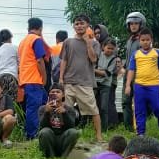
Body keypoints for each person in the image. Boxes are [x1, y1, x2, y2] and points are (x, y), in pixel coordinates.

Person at [60, 14, 103, 142]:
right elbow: (64, 60)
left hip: (85, 82)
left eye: (82, 23)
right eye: (77, 24)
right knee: (66, 110)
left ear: (87, 25)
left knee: (93, 110)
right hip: (68, 82)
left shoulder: (94, 43)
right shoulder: (68, 42)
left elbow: (94, 59)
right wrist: (61, 78)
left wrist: (88, 43)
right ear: (73, 26)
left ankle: (99, 136)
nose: (79, 26)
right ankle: (65, 135)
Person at [124, 29, 159, 137]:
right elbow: (131, 70)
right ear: (139, 41)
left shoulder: (157, 52)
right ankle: (141, 134)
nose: (145, 42)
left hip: (154, 86)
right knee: (139, 110)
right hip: (139, 86)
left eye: (147, 40)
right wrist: (127, 86)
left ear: (151, 40)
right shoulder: (135, 54)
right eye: (143, 40)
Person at [18, 18, 51, 139]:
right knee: (34, 108)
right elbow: (39, 60)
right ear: (41, 29)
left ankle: (36, 130)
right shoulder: (36, 39)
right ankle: (32, 135)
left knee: (45, 102)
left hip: (25, 78)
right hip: (34, 79)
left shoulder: (23, 41)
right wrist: (44, 77)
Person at [37, 85, 80, 159]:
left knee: (74, 132)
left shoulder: (69, 109)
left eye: (58, 92)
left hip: (63, 140)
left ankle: (64, 158)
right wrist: (46, 113)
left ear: (63, 95)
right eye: (52, 92)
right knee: (44, 132)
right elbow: (42, 126)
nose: (55, 94)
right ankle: (51, 158)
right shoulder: (43, 108)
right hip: (50, 139)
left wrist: (65, 113)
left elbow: (72, 126)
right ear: (49, 95)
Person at [95, 38, 121, 129]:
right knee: (93, 106)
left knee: (104, 108)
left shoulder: (114, 59)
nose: (110, 50)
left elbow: (107, 74)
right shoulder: (98, 55)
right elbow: (92, 68)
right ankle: (93, 127)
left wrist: (97, 70)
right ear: (103, 47)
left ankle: (104, 129)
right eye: (108, 48)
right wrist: (101, 71)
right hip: (95, 84)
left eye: (112, 49)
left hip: (106, 85)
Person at [0, 29, 19, 98]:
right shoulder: (14, 47)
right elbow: (20, 64)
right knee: (10, 102)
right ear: (9, 38)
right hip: (9, 77)